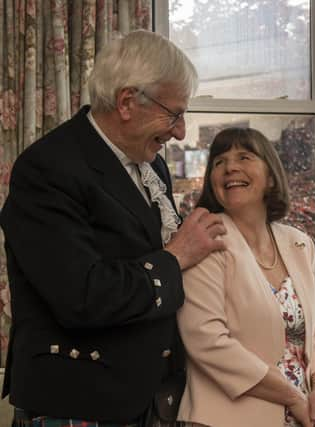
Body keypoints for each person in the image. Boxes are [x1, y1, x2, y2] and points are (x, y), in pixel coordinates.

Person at [0, 30, 226, 426]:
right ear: (126, 102)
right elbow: (82, 296)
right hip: (79, 402)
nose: (180, 132)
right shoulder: (48, 168)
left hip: (151, 402)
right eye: (173, 113)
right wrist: (178, 254)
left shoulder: (151, 165)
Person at [176, 128, 315, 427]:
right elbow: (207, 341)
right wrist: (294, 398)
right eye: (219, 162)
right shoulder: (204, 240)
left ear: (271, 177)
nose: (230, 167)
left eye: (244, 156)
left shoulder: (299, 244)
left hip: (299, 418)